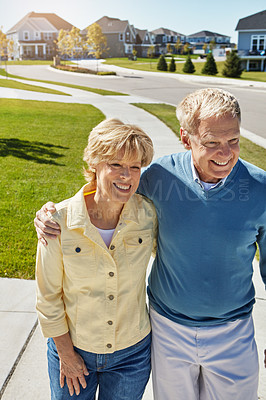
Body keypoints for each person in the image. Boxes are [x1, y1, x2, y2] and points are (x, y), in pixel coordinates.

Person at [35, 88, 266, 400]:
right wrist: (52, 214)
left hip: (230, 332)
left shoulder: (259, 189)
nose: (225, 153)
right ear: (186, 139)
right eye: (211, 143)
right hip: (168, 330)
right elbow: (107, 187)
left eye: (233, 141)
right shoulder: (160, 177)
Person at [35, 118, 157, 400]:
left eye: (135, 167)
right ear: (94, 164)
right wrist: (66, 354)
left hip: (132, 355)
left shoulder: (149, 216)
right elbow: (47, 296)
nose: (127, 176)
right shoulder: (59, 221)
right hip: (74, 349)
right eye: (116, 165)